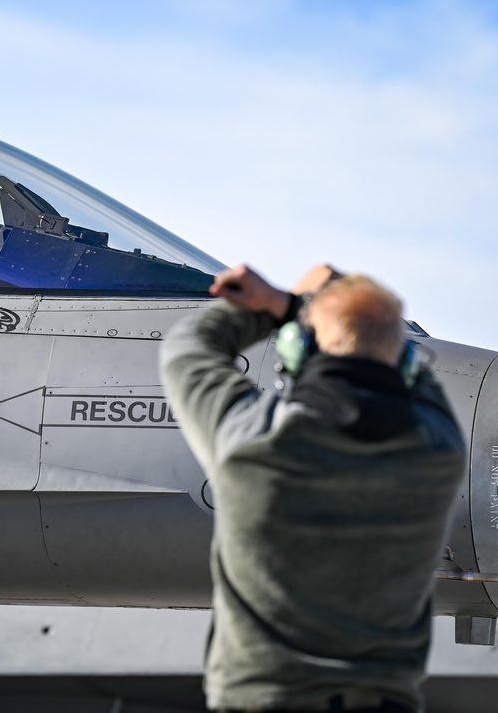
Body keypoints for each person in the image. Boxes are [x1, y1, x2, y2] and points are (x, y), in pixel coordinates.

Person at [160, 264, 465, 713]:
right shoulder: (438, 451)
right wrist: (295, 308)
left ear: (298, 349)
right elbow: (415, 376)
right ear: (401, 361)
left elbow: (187, 348)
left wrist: (281, 306)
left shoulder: (252, 440)